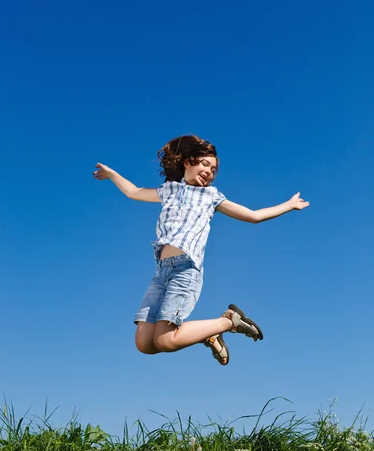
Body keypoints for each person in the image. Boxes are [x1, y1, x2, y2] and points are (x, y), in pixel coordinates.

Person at [93, 134, 309, 366]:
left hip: (186, 270)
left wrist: (288, 205)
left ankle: (229, 322)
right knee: (145, 344)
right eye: (205, 164)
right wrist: (111, 174)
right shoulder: (169, 190)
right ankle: (208, 334)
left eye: (214, 170)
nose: (209, 171)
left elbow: (253, 216)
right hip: (162, 273)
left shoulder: (211, 197)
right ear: (188, 162)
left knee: (166, 341)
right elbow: (134, 192)